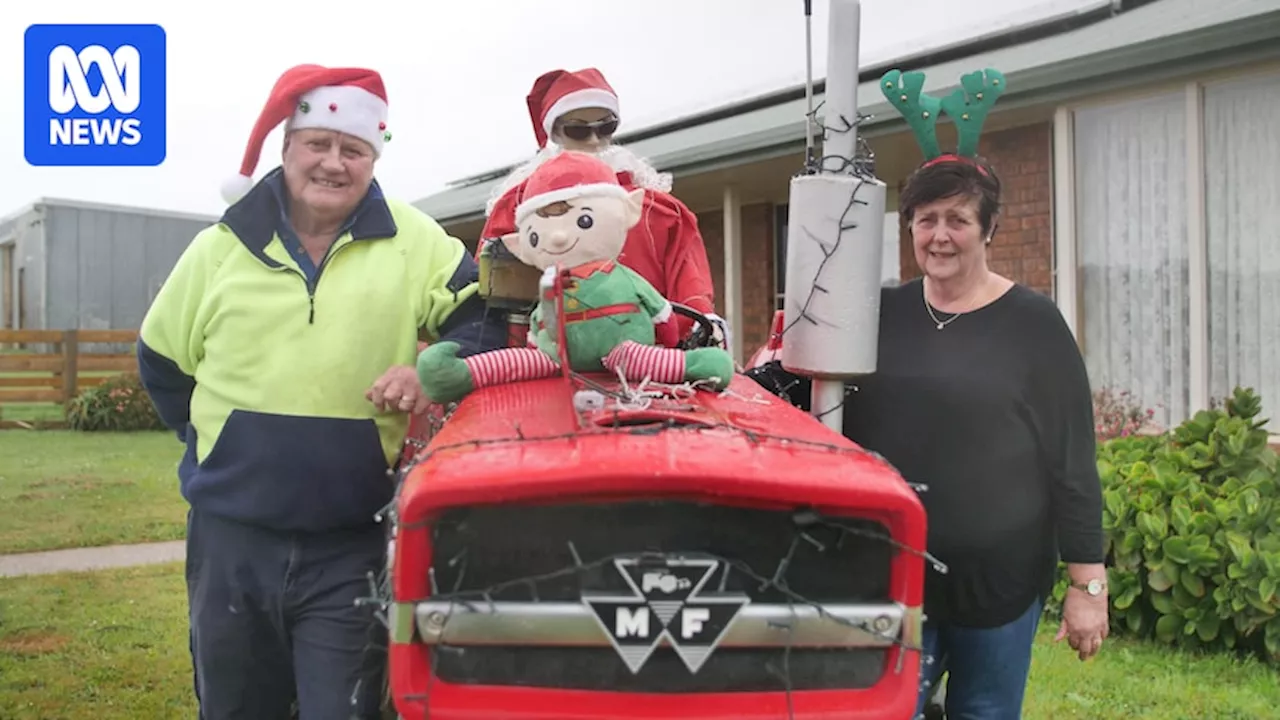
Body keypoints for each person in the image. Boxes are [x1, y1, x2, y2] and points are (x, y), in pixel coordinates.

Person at [135, 63, 506, 720]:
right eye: (318, 144)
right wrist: (218, 446)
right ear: (287, 148)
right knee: (236, 708)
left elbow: (483, 316)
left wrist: (431, 370)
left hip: (350, 542)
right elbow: (162, 362)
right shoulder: (217, 249)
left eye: (353, 150)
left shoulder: (413, 240)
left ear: (373, 157)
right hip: (230, 544)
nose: (334, 163)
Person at [747, 67, 1109, 719]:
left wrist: (1088, 584)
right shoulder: (873, 314)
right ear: (907, 227)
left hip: (999, 585)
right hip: (889, 576)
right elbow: (796, 397)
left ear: (989, 229)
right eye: (925, 219)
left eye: (958, 220)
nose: (939, 235)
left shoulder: (1033, 324)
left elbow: (1072, 462)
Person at [481, 67, 727, 348]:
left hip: (645, 356)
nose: (595, 140)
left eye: (605, 127)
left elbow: (689, 280)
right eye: (578, 130)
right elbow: (489, 293)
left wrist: (700, 327)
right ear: (556, 133)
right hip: (545, 358)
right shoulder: (519, 207)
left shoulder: (655, 208)